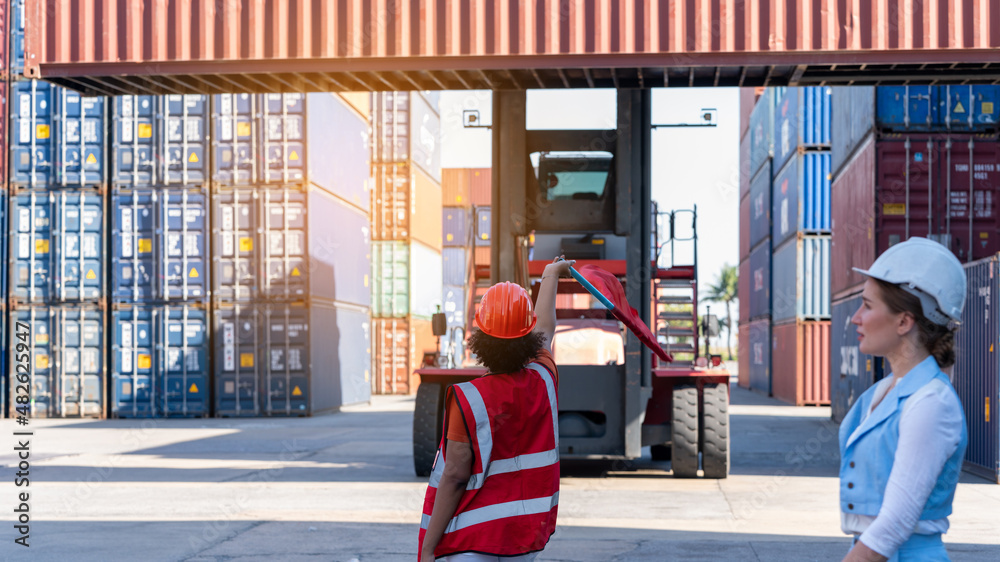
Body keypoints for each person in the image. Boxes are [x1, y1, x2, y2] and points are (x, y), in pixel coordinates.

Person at [418, 258, 575, 562]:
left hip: (473, 541)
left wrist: (428, 547)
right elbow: (545, 327)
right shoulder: (543, 379)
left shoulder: (468, 399)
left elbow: (454, 477)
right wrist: (550, 274)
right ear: (527, 337)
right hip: (523, 539)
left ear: (480, 337)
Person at [839, 237, 968, 562]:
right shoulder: (883, 392)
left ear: (903, 321)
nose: (855, 318)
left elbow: (896, 522)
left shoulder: (932, 404)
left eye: (867, 306)